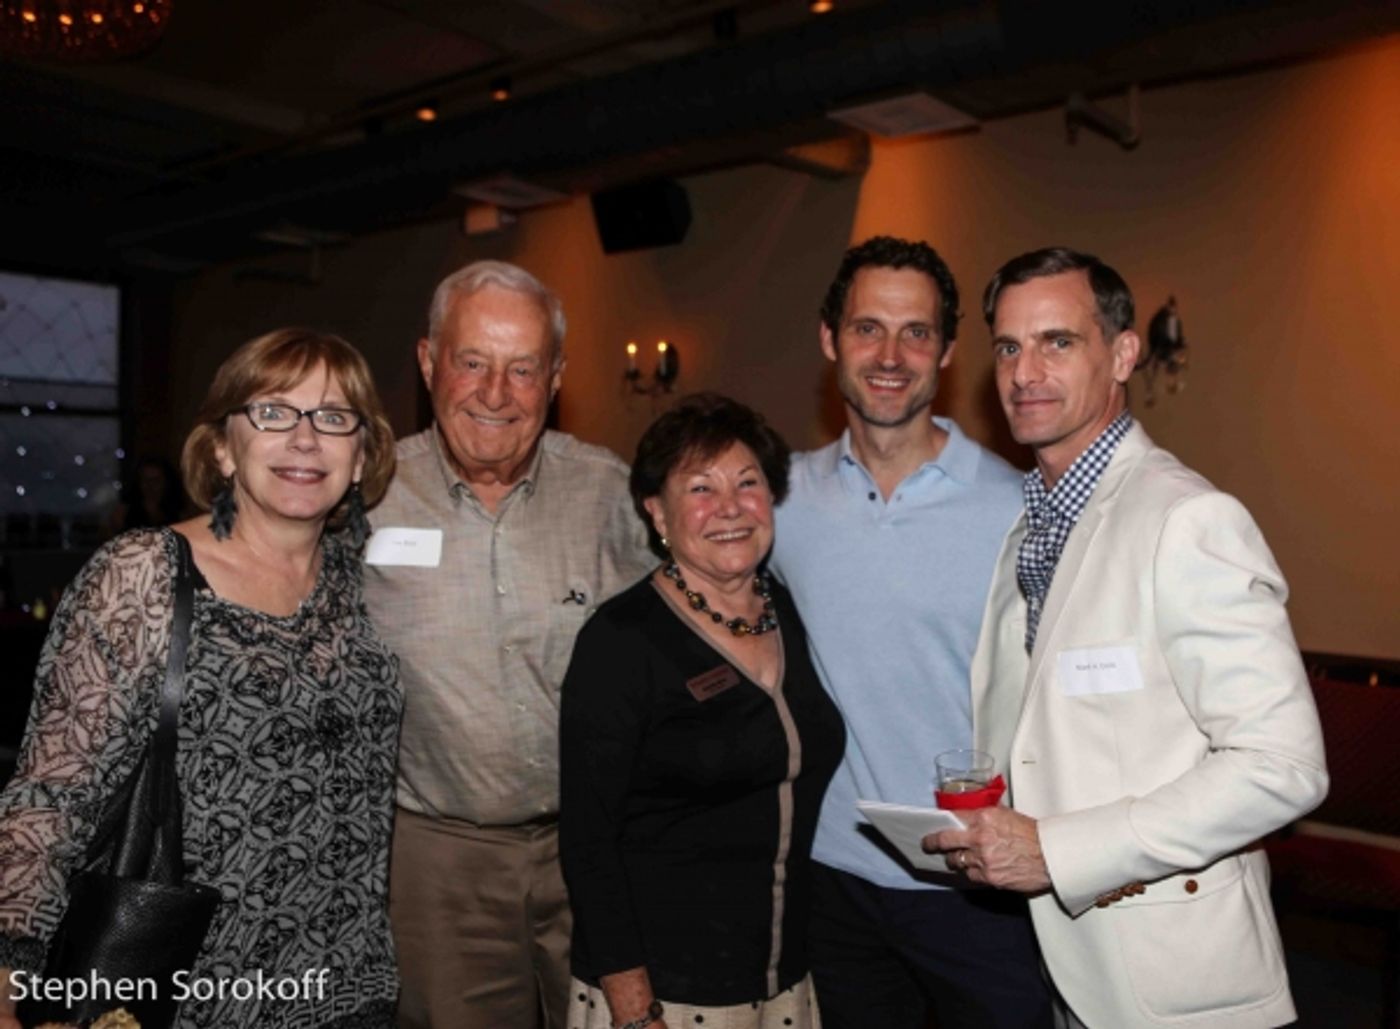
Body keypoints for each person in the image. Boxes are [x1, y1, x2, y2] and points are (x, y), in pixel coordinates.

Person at [927, 247, 1329, 1027]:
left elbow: (1284, 767)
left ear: (1122, 353)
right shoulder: (1030, 522)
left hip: (1175, 979)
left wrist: (1057, 851)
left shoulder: (1186, 519)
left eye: (1058, 341)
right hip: (1067, 962)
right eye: (1008, 346)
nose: (1024, 371)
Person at [0, 328, 401, 1028]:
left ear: (361, 454)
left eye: (334, 417)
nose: (306, 438)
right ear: (221, 446)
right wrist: (6, 970)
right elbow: (51, 791)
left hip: (351, 984)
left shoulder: (362, 582)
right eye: (273, 411)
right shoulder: (146, 573)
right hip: (188, 991)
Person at [769, 236, 1052, 1028]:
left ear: (948, 352)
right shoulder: (780, 502)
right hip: (837, 881)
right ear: (831, 341)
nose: (891, 354)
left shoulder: (1018, 508)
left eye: (916, 332)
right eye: (867, 328)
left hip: (980, 887)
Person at [363, 260, 653, 1029]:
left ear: (555, 376)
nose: (496, 394)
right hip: (438, 864)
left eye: (523, 368)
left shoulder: (609, 494)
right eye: (472, 362)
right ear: (428, 362)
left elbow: (684, 631)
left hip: (596, 851)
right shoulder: (363, 493)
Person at [559, 393, 845, 1029]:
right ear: (657, 512)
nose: (730, 508)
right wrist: (635, 1009)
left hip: (786, 979)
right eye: (700, 489)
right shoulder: (621, 640)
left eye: (748, 483)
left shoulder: (792, 613)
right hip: (668, 992)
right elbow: (588, 843)